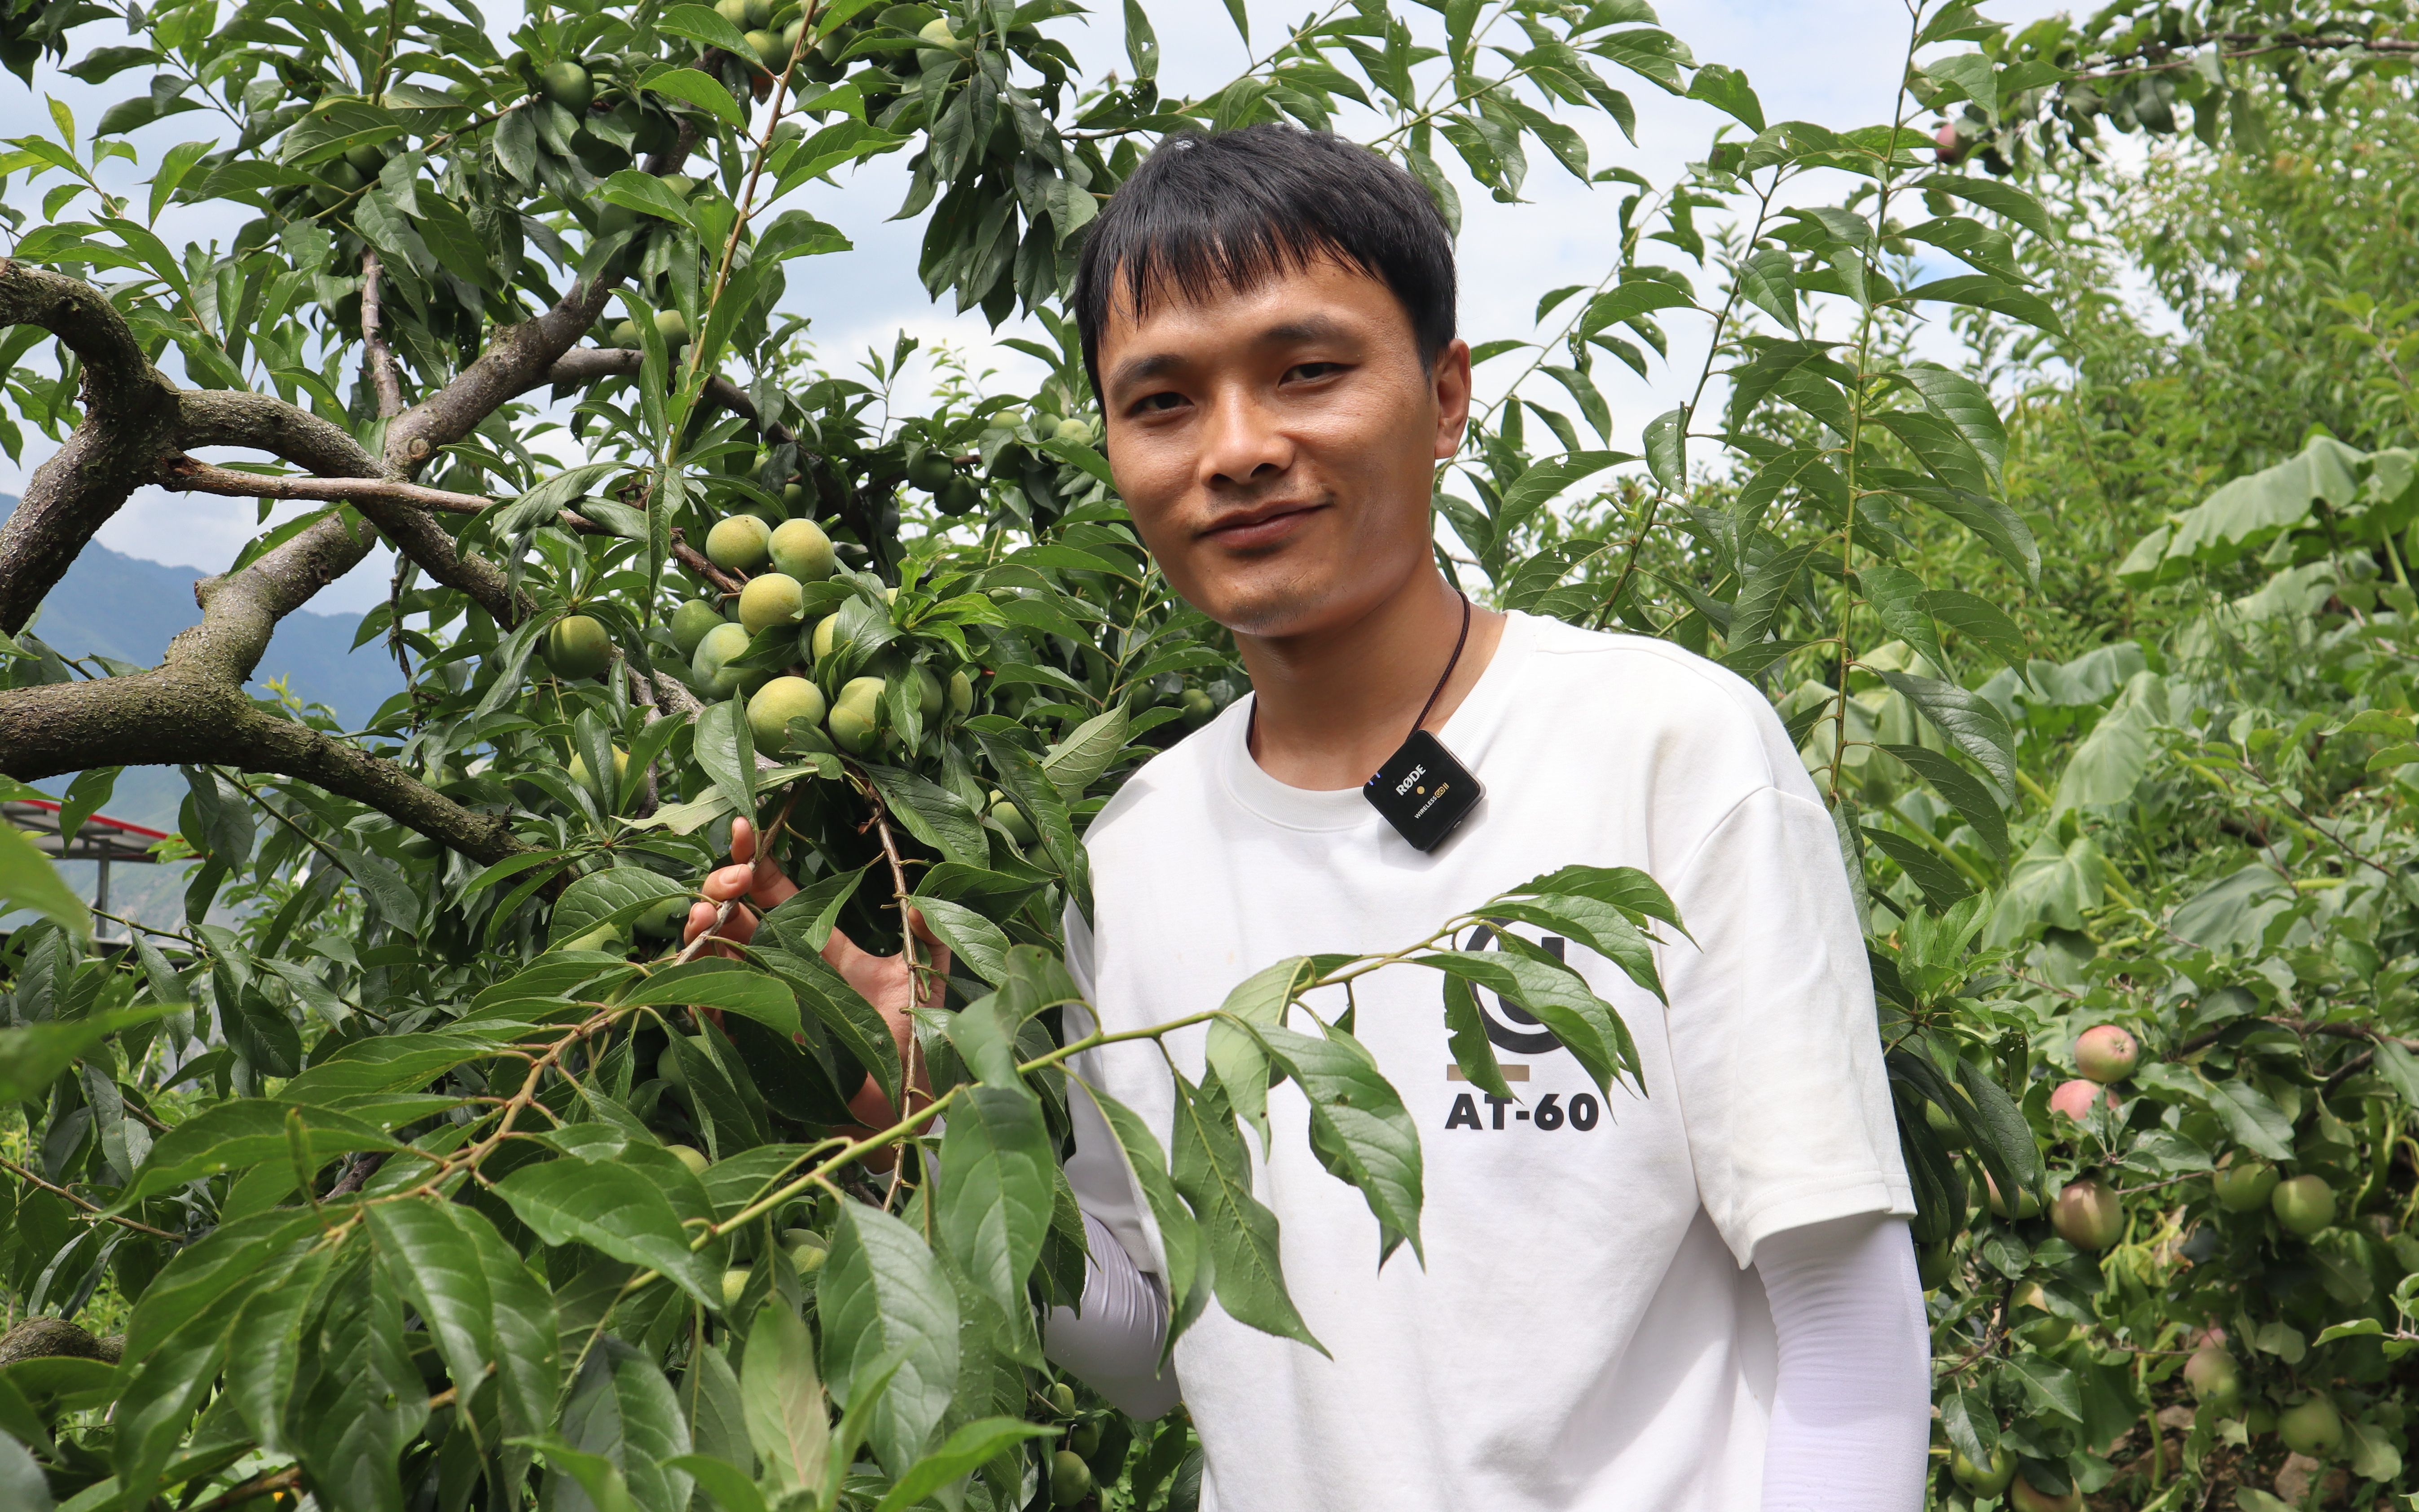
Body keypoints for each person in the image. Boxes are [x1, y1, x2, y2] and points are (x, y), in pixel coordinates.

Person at [690, 124, 1931, 1512]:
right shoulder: (1137, 852)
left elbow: (1845, 1326)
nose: (1236, 449)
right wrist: (916, 1114)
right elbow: (1151, 1345)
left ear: (1445, 397)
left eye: (1308, 372)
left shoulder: (1663, 747)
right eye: (1161, 402)